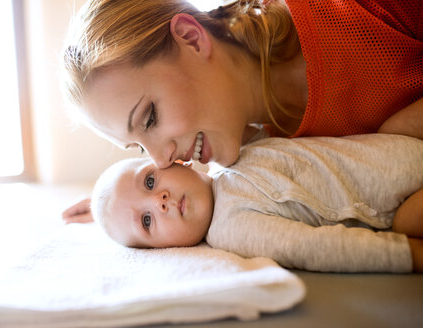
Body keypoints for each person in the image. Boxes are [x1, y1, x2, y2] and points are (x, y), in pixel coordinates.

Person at [61, 0, 423, 221]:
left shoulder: (347, 12)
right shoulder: (262, 163)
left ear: (191, 37)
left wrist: (402, 131)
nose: (161, 160)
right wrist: (125, 208)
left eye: (150, 117)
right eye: (138, 148)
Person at [88, 133, 423, 273]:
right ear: (163, 249)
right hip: (395, 201)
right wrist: (405, 253)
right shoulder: (230, 228)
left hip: (395, 149)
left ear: (177, 160)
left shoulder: (228, 151)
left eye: (149, 182)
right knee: (410, 222)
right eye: (146, 221)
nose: (158, 202)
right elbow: (310, 246)